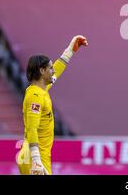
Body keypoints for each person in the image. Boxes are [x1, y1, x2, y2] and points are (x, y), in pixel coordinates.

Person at [16, 35, 88, 175]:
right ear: (42, 71)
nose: (53, 71)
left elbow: (57, 70)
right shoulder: (35, 97)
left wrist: (70, 50)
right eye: (49, 68)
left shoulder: (41, 89)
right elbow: (31, 129)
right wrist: (36, 160)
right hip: (34, 158)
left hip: (37, 156)